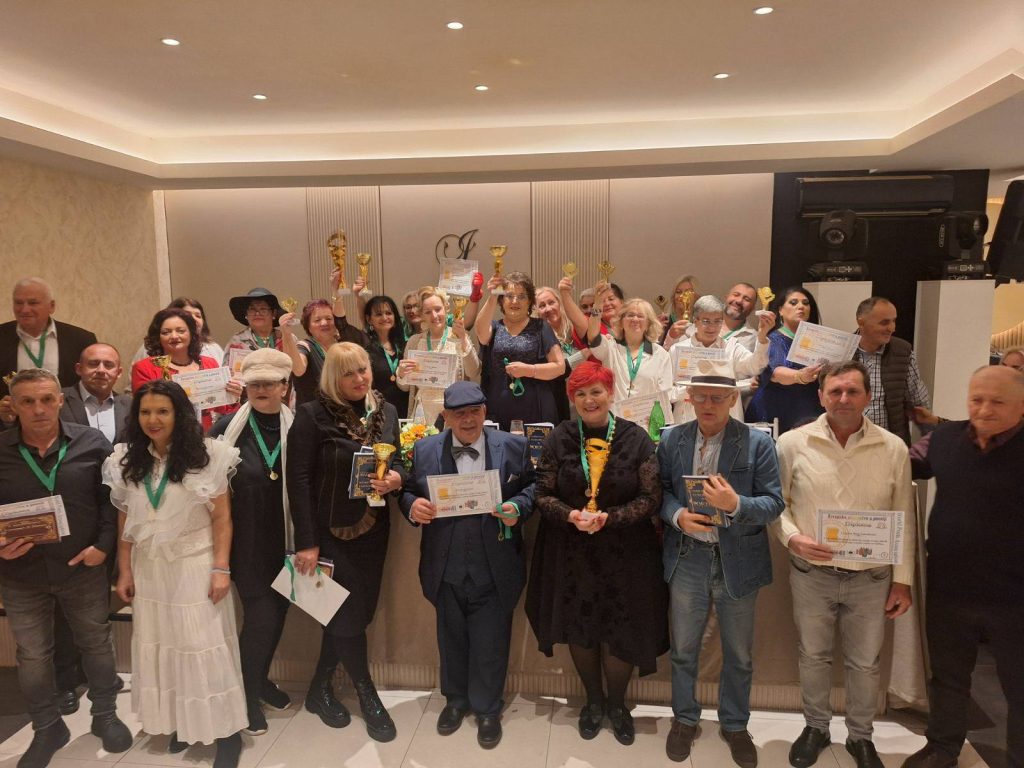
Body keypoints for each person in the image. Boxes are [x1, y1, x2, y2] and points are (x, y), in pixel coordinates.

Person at [773, 361, 915, 768]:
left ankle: (860, 736)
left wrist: (902, 581)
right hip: (811, 574)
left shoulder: (893, 448)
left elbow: (904, 515)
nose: (843, 399)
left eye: (852, 391)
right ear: (821, 396)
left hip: (871, 578)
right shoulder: (792, 444)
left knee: (865, 663)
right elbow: (776, 504)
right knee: (813, 656)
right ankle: (816, 727)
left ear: (868, 397)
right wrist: (792, 538)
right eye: (834, 391)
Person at [525, 361, 668, 746]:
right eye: (581, 393)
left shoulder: (636, 439)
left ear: (610, 393)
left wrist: (611, 517)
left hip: (626, 551)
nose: (589, 400)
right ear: (572, 398)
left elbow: (651, 497)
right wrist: (571, 515)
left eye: (596, 391)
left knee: (621, 628)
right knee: (580, 627)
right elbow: (542, 492)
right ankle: (592, 701)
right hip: (572, 550)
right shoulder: (559, 437)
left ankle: (617, 705)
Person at [105, 380, 246, 767]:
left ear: (179, 414)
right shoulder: (127, 460)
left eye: (162, 411)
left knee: (202, 646)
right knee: (164, 646)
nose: (153, 419)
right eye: (145, 412)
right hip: (150, 568)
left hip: (194, 565)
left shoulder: (208, 456)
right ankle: (183, 724)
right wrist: (124, 570)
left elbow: (222, 519)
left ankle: (227, 732)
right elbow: (125, 521)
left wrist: (220, 568)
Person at [0, 369, 132, 768]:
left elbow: (112, 502)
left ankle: (105, 716)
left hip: (82, 567)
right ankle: (47, 727)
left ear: (60, 400)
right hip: (21, 574)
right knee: (33, 655)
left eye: (46, 399)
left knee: (96, 643)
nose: (38, 409)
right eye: (27, 401)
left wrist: (102, 548)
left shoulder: (92, 443)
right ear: (13, 406)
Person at [657, 364, 784, 767]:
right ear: (689, 398)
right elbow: (659, 492)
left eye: (717, 397)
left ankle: (735, 724)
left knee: (739, 654)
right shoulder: (672, 439)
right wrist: (677, 515)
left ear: (733, 400)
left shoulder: (757, 443)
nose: (708, 404)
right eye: (701, 396)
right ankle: (684, 719)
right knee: (683, 649)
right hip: (688, 558)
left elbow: (774, 503)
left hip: (738, 560)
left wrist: (736, 505)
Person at [399, 381, 536, 749]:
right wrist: (412, 505)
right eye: (459, 413)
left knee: (491, 641)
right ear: (445, 416)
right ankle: (456, 701)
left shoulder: (513, 446)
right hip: (444, 564)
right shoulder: (425, 449)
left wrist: (518, 507)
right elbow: (408, 490)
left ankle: (488, 709)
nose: (468, 419)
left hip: (495, 563)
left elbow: (532, 487)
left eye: (474, 411)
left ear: (485, 411)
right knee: (451, 639)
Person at [901, 365, 1024, 768]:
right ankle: (942, 747)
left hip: (1015, 596)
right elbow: (898, 465)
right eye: (976, 399)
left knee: (1019, 687)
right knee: (948, 677)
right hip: (950, 587)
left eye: (997, 401)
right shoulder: (944, 439)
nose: (984, 409)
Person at [287, 342, 405, 742]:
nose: (359, 379)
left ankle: (319, 689)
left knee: (353, 614)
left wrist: (397, 478)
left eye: (363, 370)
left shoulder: (387, 411)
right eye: (348, 373)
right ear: (332, 377)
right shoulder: (312, 415)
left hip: (374, 529)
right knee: (346, 616)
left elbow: (398, 459)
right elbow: (298, 480)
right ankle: (367, 694)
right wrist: (307, 541)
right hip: (329, 533)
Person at [208, 349, 299, 736]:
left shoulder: (300, 426)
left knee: (278, 615)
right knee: (262, 619)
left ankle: (258, 681)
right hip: (245, 543)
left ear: (285, 387)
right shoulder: (225, 428)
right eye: (254, 384)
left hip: (288, 540)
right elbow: (206, 489)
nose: (261, 390)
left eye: (270, 383)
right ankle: (244, 695)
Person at [1, 277, 97, 424]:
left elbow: (92, 386)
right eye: (19, 303)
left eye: (33, 303)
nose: (24, 309)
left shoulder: (81, 340)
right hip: (12, 427)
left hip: (69, 426)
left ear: (51, 306)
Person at [475, 272, 564, 430]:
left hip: (536, 409)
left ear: (530, 301)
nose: (515, 301)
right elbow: (480, 333)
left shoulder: (541, 327)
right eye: (509, 296)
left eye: (522, 296)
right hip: (498, 408)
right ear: (502, 300)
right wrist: (493, 294)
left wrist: (529, 370)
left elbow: (559, 367)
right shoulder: (494, 327)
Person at [130, 308, 239, 432]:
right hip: (164, 434)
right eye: (166, 332)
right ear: (158, 336)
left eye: (181, 331)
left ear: (192, 333)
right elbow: (144, 408)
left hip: (205, 434)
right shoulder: (144, 368)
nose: (174, 336)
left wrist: (233, 395)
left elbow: (224, 408)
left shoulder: (209, 363)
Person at [669, 295, 772, 424]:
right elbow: (667, 393)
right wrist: (690, 391)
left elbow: (756, 366)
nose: (712, 327)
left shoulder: (731, 347)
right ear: (695, 321)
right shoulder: (677, 349)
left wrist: (762, 337)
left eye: (717, 321)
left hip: (727, 420)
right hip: (687, 419)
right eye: (706, 321)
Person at [853, 297, 935, 443]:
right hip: (848, 443)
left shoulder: (902, 351)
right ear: (861, 322)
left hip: (890, 444)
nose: (892, 328)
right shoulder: (841, 350)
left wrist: (930, 442)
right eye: (884, 322)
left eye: (893, 321)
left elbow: (919, 402)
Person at [745, 287, 825, 434]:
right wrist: (800, 376)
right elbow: (775, 372)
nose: (801, 306)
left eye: (805, 303)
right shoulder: (774, 339)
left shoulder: (818, 341)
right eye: (793, 303)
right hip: (776, 410)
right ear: (780, 310)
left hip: (810, 409)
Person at [397, 287, 480, 426]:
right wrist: (401, 373)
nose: (434, 316)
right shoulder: (414, 342)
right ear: (421, 315)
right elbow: (404, 388)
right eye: (428, 312)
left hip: (454, 409)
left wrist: (463, 339)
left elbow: (474, 372)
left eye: (437, 309)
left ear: (446, 309)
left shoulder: (459, 337)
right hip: (423, 413)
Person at [279, 271, 365, 406]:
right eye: (317, 320)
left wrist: (336, 290)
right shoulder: (305, 346)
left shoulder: (342, 344)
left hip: (344, 411)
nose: (324, 323)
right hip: (314, 414)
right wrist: (287, 334)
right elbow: (298, 369)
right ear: (308, 326)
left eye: (329, 318)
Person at [587, 290, 674, 402]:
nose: (635, 319)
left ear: (648, 324)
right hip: (614, 412)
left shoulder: (661, 355)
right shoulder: (610, 346)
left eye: (640, 316)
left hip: (646, 412)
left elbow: (665, 394)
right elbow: (593, 335)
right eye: (630, 315)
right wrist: (598, 304)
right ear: (621, 321)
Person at [536, 285, 588, 423]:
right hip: (559, 403)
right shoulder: (537, 337)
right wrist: (581, 356)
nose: (548, 308)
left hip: (587, 399)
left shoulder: (575, 328)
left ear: (559, 303)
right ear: (536, 311)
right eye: (542, 306)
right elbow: (552, 373)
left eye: (551, 302)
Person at [61, 343, 132, 444]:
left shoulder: (129, 404)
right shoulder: (59, 400)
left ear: (119, 373)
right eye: (93, 364)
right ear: (79, 369)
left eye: (108, 365)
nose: (101, 370)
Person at [131, 298, 223, 365]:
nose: (194, 319)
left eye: (198, 316)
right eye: (187, 314)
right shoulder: (151, 347)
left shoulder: (213, 348)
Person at [223, 288, 284, 363]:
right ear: (246, 314)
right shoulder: (237, 341)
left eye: (263, 309)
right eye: (252, 309)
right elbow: (227, 370)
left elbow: (296, 368)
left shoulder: (286, 338)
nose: (257, 313)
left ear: (274, 313)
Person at [661, 275, 701, 345]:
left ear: (696, 296)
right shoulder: (665, 321)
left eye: (687, 293)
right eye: (678, 292)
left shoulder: (702, 321)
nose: (681, 296)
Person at [721, 283, 760, 352]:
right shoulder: (702, 325)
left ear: (752, 308)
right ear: (726, 297)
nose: (739, 301)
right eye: (736, 295)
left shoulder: (754, 338)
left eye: (747, 299)